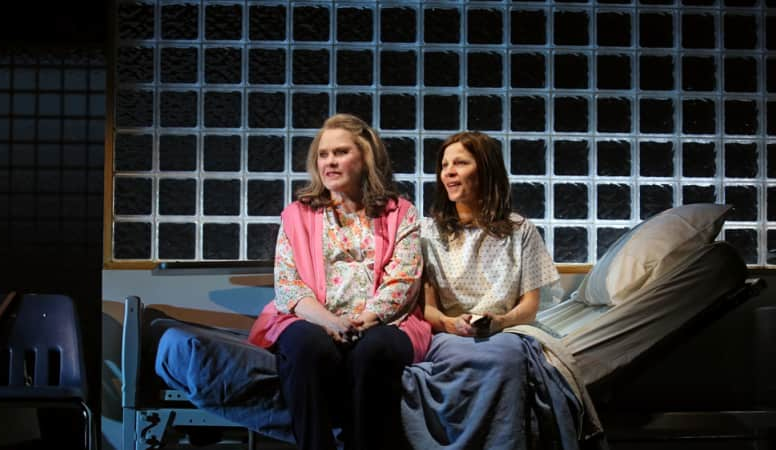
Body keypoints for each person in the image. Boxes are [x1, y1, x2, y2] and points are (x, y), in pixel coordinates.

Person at [401, 131, 601, 449]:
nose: (448, 172)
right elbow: (427, 309)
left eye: (460, 163)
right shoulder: (427, 233)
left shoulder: (520, 230)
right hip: (449, 334)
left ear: (485, 169)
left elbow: (529, 306)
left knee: (507, 355)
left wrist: (498, 322)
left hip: (506, 330)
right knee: (457, 359)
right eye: (444, 165)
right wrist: (452, 325)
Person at [248, 114, 431, 450]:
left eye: (341, 152)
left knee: (373, 349)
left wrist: (366, 320)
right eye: (323, 154)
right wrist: (331, 322)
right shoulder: (296, 215)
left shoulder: (400, 212)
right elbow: (288, 285)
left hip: (384, 321)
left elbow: (404, 279)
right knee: (306, 346)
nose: (329, 161)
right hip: (313, 318)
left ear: (365, 159)